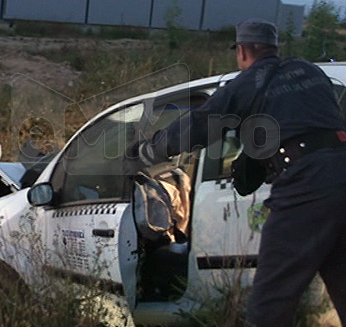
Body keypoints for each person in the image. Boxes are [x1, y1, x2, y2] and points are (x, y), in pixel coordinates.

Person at [134, 18, 346, 326]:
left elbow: (200, 123)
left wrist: (150, 150)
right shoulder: (311, 71)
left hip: (306, 187)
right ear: (275, 48)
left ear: (242, 52)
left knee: (270, 302)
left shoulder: (248, 83)